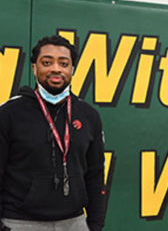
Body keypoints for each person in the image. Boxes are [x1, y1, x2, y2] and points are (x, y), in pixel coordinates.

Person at [0, 35, 106, 231]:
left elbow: (95, 174)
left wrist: (95, 225)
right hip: (20, 223)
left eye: (63, 63)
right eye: (47, 62)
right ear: (34, 68)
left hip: (75, 223)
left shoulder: (89, 115)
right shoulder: (9, 114)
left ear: (72, 69)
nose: (55, 68)